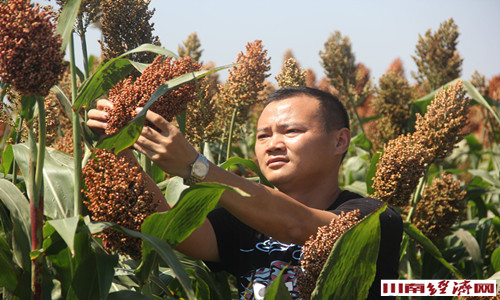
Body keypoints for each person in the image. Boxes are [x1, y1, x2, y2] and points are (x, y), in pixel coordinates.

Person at [87, 86, 403, 299]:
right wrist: (119, 147)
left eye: (291, 131)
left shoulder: (372, 218)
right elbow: (170, 231)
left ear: (340, 141)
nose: (273, 144)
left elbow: (298, 224)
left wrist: (194, 166)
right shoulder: (239, 222)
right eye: (263, 135)